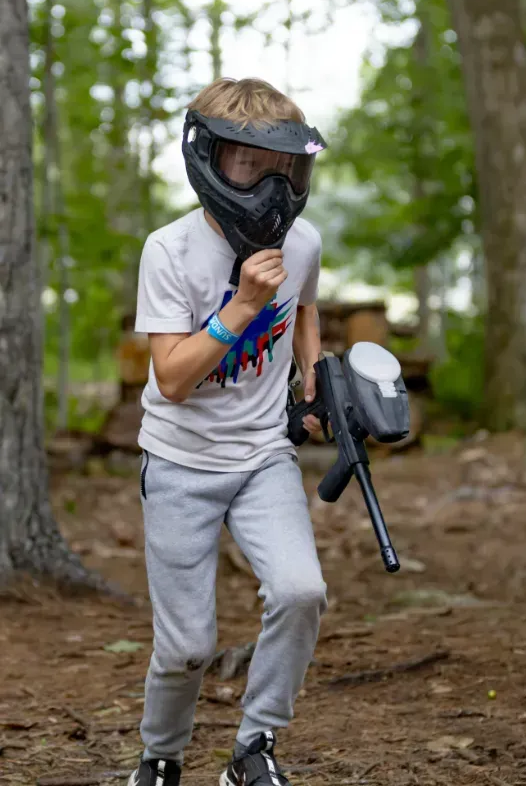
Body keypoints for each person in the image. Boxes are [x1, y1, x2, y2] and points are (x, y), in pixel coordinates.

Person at [127, 77, 329, 786]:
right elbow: (173, 379)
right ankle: (160, 755)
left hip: (263, 458)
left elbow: (304, 308)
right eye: (250, 165)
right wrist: (242, 306)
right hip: (179, 461)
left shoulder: (302, 242)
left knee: (302, 592)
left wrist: (314, 376)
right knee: (187, 647)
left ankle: (255, 747)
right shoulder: (170, 251)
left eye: (286, 169)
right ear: (211, 161)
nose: (271, 188)